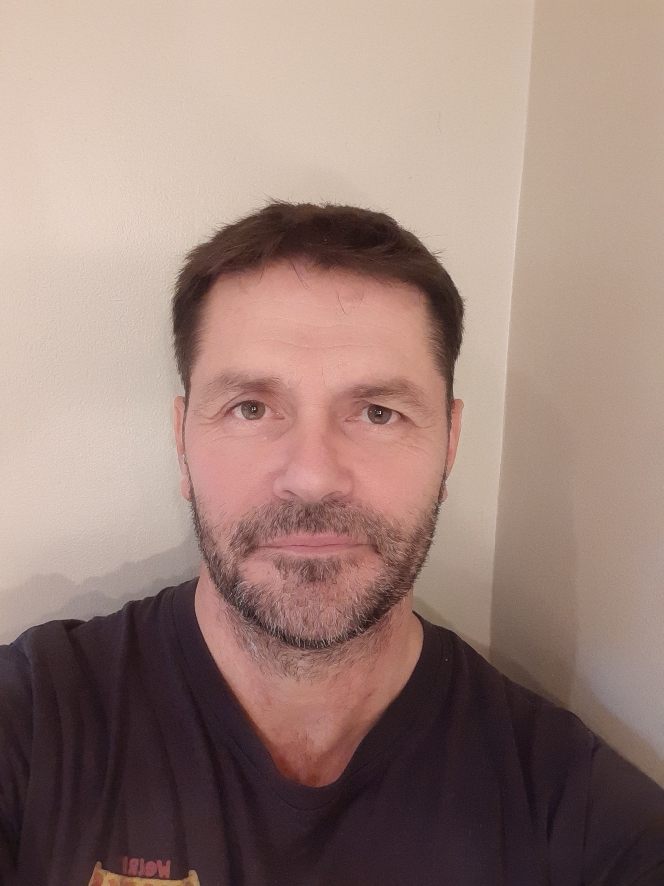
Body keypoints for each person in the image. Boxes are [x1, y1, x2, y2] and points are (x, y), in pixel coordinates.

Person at [1, 202, 663, 886]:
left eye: (378, 412)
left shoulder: (564, 803)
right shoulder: (36, 723)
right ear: (182, 441)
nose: (313, 477)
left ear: (449, 446)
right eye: (251, 408)